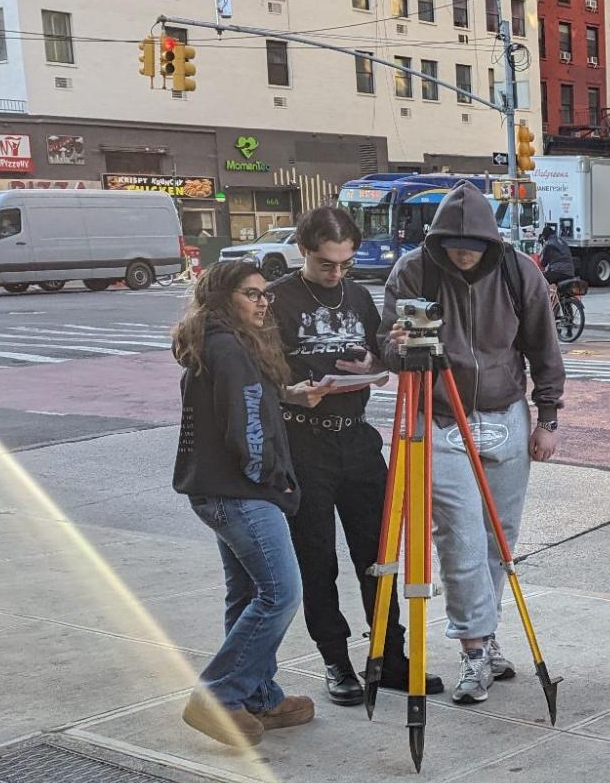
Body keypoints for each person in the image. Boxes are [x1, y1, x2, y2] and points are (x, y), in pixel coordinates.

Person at [380, 183, 565, 707]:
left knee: (497, 539)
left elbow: (544, 348)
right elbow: (386, 347)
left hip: (505, 413)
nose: (463, 254)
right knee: (458, 536)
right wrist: (396, 346)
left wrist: (548, 418)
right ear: (438, 239)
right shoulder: (414, 270)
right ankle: (474, 647)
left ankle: (486, 631)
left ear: (490, 242)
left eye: (473, 246)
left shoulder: (518, 272)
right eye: (453, 245)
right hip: (439, 415)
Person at [268, 207, 440, 706]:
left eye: (345, 263)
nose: (336, 272)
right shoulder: (276, 299)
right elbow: (256, 374)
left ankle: (389, 655)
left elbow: (378, 352)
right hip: (304, 440)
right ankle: (336, 660)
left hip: (357, 438)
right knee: (317, 558)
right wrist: (289, 393)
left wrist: (374, 363)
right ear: (303, 250)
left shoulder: (358, 295)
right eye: (327, 263)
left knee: (378, 556)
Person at [171, 258, 313, 745]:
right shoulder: (229, 348)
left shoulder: (213, 343)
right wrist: (274, 480)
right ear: (221, 299)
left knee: (250, 594)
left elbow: (240, 407)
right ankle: (218, 695)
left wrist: (287, 396)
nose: (262, 302)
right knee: (280, 594)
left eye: (264, 293)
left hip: (218, 490)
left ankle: (258, 695)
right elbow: (246, 428)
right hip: (241, 494)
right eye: (251, 294)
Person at [537, 224, 577, 292]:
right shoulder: (562, 241)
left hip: (558, 272)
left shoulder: (549, 244)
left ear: (545, 236)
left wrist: (542, 245)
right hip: (570, 273)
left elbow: (543, 263)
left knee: (540, 280)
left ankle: (544, 298)